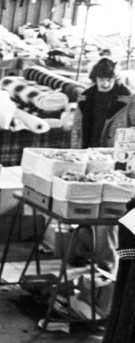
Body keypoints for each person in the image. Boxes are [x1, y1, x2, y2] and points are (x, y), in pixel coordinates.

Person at [71, 57, 135, 271]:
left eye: (109, 79)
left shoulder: (128, 98)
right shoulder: (86, 96)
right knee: (85, 205)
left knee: (108, 213)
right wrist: (75, 153)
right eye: (101, 79)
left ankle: (106, 263)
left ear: (114, 79)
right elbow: (77, 128)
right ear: (95, 78)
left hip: (114, 161)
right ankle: (81, 252)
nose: (105, 84)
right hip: (88, 157)